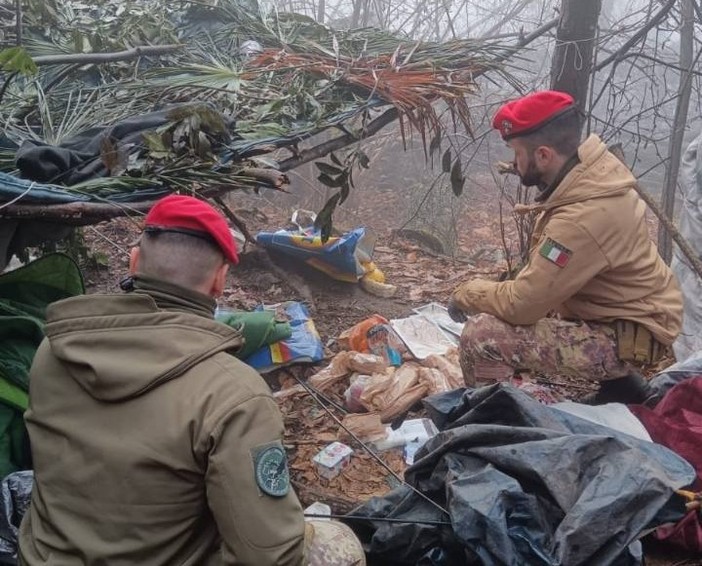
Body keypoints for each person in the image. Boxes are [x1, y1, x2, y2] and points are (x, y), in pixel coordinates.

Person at [19, 194, 364, 565]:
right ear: (219, 281)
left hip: (39, 556)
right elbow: (268, 555)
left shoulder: (53, 350)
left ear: (134, 262)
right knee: (336, 543)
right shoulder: (234, 393)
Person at [448, 90, 683, 404]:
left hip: (627, 337)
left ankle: (494, 425)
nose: (514, 164)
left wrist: (467, 292)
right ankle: (623, 392)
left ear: (543, 155)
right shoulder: (588, 180)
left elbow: (523, 304)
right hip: (626, 317)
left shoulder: (582, 216)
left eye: (518, 153)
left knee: (483, 334)